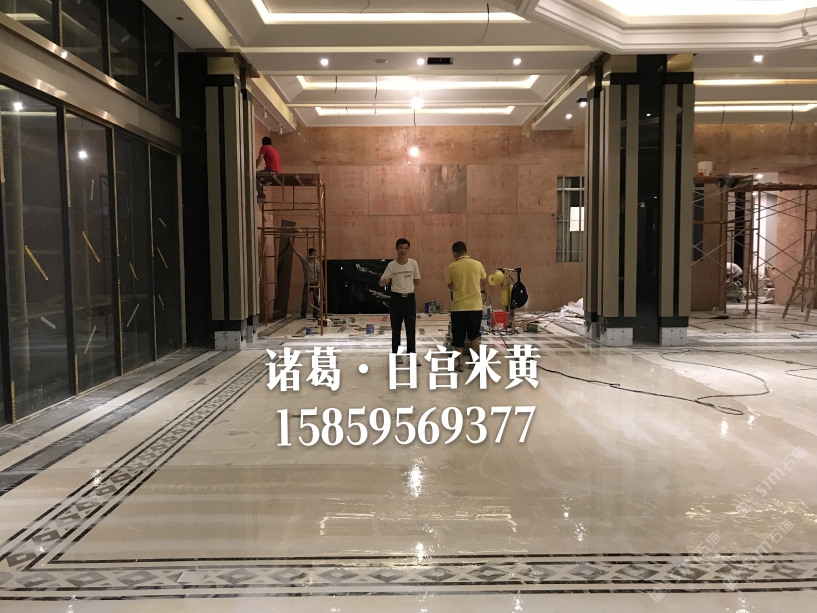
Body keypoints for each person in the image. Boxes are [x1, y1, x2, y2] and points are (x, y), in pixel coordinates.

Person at [445, 241, 487, 372]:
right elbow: (484, 280)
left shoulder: (452, 267)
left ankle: (460, 364)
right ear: (466, 250)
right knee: (474, 335)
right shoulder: (477, 264)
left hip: (459, 307)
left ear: (454, 253)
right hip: (475, 306)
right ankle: (473, 362)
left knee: (458, 337)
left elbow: (450, 286)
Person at [379, 238, 421, 364]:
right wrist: (384, 282)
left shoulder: (413, 263)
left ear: (408, 249)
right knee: (396, 329)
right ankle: (396, 354)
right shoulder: (391, 265)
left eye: (406, 248)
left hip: (409, 299)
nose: (403, 251)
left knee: (411, 329)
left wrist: (407, 289)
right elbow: (381, 282)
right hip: (396, 300)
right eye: (401, 248)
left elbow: (417, 281)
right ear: (396, 249)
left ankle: (412, 355)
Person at [294, 247, 321, 319]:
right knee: (305, 299)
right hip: (307, 283)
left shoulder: (317, 263)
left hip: (315, 283)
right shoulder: (305, 260)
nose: (315, 255)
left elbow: (318, 273)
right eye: (314, 254)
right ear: (311, 254)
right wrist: (290, 243)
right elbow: (296, 252)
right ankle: (303, 314)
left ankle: (316, 314)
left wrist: (318, 283)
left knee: (316, 299)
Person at [255, 136, 281, 203]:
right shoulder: (274, 149)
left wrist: (253, 168)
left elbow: (260, 158)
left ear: (262, 143)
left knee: (253, 176)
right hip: (276, 171)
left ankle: (261, 195)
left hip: (270, 170)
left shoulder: (264, 147)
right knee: (257, 177)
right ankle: (261, 195)